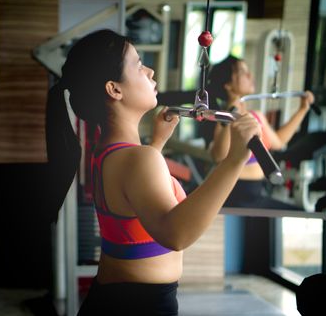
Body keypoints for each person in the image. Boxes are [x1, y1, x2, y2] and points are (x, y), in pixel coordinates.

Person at [45, 29, 261, 315]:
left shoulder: (109, 151)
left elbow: (134, 201)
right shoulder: (137, 158)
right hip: (139, 305)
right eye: (138, 64)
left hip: (119, 299)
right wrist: (233, 161)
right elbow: (175, 234)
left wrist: (157, 144)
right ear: (114, 89)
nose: (149, 71)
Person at [206, 55, 315, 209]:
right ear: (228, 85)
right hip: (235, 193)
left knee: (301, 212)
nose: (250, 75)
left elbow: (278, 142)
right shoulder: (223, 118)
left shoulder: (255, 116)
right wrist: (230, 114)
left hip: (257, 192)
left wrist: (303, 110)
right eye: (242, 72)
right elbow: (218, 156)